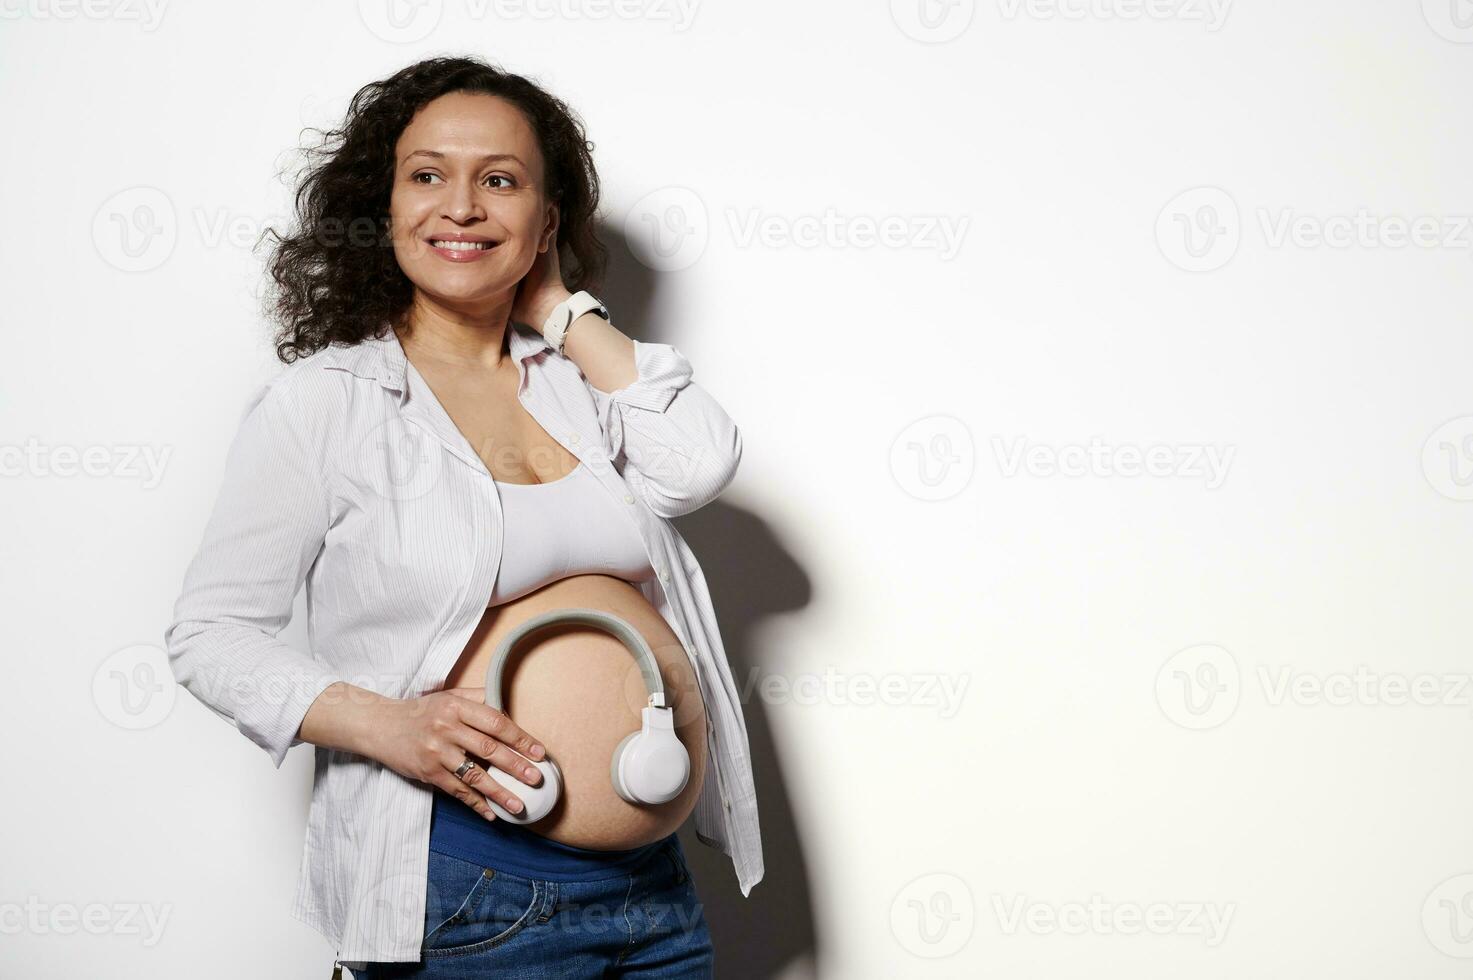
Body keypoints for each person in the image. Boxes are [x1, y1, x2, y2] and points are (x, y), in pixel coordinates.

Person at [164, 54, 762, 977]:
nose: (461, 206)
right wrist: (384, 724)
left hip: (655, 892)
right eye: (427, 175)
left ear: (546, 218)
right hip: (468, 890)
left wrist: (558, 305)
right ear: (385, 204)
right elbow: (210, 634)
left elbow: (700, 462)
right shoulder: (330, 403)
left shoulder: (579, 384)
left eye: (501, 181)